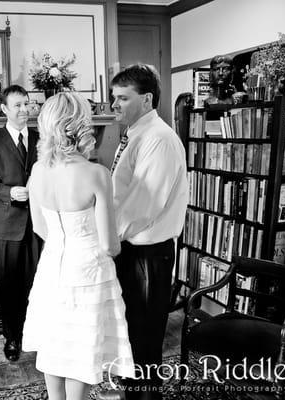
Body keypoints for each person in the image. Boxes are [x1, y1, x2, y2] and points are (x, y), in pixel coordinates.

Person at [22, 92, 135, 400]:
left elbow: (39, 228)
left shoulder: (37, 172)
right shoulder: (97, 174)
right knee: (80, 358)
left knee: (55, 350)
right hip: (87, 272)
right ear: (80, 126)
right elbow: (110, 245)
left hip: (51, 269)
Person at [110, 64, 188, 400]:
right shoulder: (134, 135)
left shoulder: (158, 140)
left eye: (122, 98)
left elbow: (142, 207)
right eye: (114, 98)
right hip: (131, 250)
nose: (114, 105)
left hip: (147, 256)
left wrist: (107, 239)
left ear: (147, 99)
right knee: (131, 339)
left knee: (143, 341)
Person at [0, 84, 42, 362]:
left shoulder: (43, 138)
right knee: (9, 286)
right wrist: (10, 192)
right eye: (17, 105)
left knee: (38, 283)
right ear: (4, 108)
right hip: (6, 225)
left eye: (26, 104)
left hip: (39, 223)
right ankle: (12, 339)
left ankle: (37, 334)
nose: (24, 110)